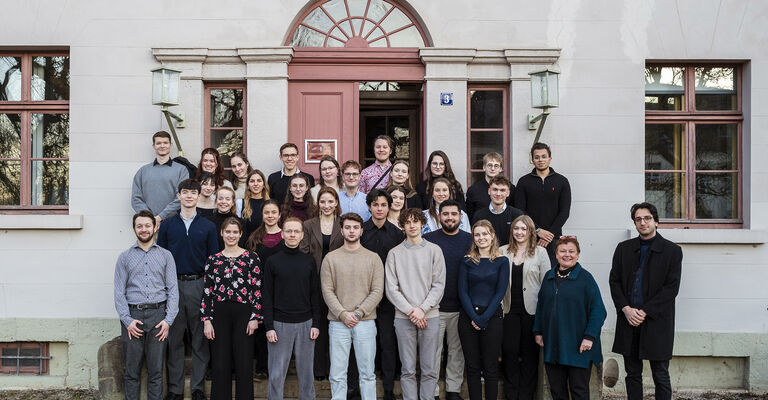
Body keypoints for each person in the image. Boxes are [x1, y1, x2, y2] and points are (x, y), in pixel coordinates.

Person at [609, 202, 683, 400]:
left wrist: (645, 311)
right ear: (635, 223)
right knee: (632, 374)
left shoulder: (672, 251)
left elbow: (671, 288)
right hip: (628, 320)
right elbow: (614, 281)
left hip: (657, 322)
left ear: (656, 221)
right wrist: (626, 309)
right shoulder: (624, 249)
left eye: (647, 218)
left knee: (660, 374)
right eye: (638, 219)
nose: (643, 223)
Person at [157, 179, 219, 400]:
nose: (190, 196)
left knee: (200, 338)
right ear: (179, 195)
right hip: (173, 285)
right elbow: (160, 258)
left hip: (199, 284)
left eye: (194, 192)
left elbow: (214, 260)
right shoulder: (166, 226)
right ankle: (175, 390)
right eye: (186, 192)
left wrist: (209, 289)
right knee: (174, 339)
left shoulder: (208, 226)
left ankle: (197, 388)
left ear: (198, 195)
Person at [114, 210, 179, 400]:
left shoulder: (166, 256)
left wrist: (168, 321)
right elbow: (119, 292)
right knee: (131, 371)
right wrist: (127, 321)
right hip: (133, 317)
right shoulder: (124, 257)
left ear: (155, 227)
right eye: (139, 226)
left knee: (156, 371)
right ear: (134, 229)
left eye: (147, 225)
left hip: (158, 317)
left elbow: (173, 290)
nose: (144, 229)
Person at [321, 212, 385, 400]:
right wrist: (342, 314)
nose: (351, 231)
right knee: (337, 374)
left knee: (367, 373)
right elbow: (327, 290)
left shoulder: (373, 258)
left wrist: (357, 314)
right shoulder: (331, 258)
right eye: (347, 227)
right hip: (338, 323)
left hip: (364, 322)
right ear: (341, 230)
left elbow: (377, 290)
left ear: (361, 231)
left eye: (355, 227)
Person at [534, 237, 606, 400]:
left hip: (578, 346)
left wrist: (589, 337)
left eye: (571, 251)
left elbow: (598, 310)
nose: (567, 255)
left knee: (579, 391)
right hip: (553, 345)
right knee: (557, 391)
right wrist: (538, 331)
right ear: (556, 254)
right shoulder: (549, 277)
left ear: (578, 254)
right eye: (563, 251)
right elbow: (541, 306)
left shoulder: (586, 279)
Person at [385, 208, 446, 400]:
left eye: (416, 221)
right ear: (402, 226)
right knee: (408, 369)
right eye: (408, 222)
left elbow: (438, 284)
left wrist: (422, 310)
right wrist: (412, 311)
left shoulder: (434, 250)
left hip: (431, 316)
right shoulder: (394, 253)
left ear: (422, 224)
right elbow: (391, 288)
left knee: (429, 369)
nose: (412, 225)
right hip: (403, 318)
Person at [201, 217, 262, 400]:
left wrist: (254, 317)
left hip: (244, 312)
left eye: (235, 232)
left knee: (244, 362)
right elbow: (207, 291)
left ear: (241, 234)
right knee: (220, 362)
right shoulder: (213, 260)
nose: (231, 235)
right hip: (219, 313)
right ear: (222, 233)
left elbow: (257, 288)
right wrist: (207, 320)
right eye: (228, 232)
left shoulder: (251, 258)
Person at [262, 217, 322, 400]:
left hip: (306, 323)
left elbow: (314, 294)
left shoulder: (309, 261)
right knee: (277, 373)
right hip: (280, 324)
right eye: (289, 231)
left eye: (296, 231)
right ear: (282, 234)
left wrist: (316, 323)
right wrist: (269, 326)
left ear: (302, 235)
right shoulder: (272, 261)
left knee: (306, 373)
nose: (292, 234)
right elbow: (267, 295)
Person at [424, 199, 473, 400]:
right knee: (433, 353)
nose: (450, 218)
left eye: (454, 214)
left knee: (456, 351)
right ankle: (433, 391)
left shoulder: (470, 240)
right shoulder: (428, 239)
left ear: (460, 217)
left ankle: (453, 390)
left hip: (460, 307)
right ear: (439, 216)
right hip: (434, 307)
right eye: (445, 214)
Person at [499, 215, 550, 400]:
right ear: (512, 231)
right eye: (516, 228)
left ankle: (526, 396)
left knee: (530, 356)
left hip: (532, 312)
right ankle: (511, 395)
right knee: (509, 353)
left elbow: (547, 285)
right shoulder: (501, 251)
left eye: (524, 229)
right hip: (508, 311)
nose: (519, 232)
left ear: (530, 231)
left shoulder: (540, 253)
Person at [457, 220, 509, 400]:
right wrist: (474, 316)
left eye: (485, 234)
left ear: (492, 235)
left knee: (490, 367)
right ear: (473, 237)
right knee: (472, 367)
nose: (481, 238)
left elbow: (500, 291)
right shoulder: (467, 260)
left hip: (492, 317)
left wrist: (484, 317)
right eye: (477, 235)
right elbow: (462, 291)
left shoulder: (502, 261)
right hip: (468, 318)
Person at [361, 189, 404, 400]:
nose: (379, 209)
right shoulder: (361, 232)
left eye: (383, 205)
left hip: (388, 298)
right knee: (364, 343)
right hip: (363, 298)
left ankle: (388, 390)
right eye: (375, 205)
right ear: (369, 206)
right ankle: (359, 387)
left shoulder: (397, 234)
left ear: (389, 207)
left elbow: (399, 269)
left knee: (388, 342)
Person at [300, 187, 344, 380]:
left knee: (336, 325)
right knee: (318, 325)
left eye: (330, 202)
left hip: (339, 281)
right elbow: (304, 250)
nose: (327, 205)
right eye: (323, 202)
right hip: (315, 280)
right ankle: (318, 370)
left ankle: (335, 369)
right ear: (318, 204)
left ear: (336, 203)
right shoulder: (309, 224)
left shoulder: (343, 224)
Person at [514, 142, 571, 265]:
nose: (541, 160)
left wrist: (549, 235)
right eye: (537, 157)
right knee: (529, 274)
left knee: (553, 276)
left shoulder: (562, 181)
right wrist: (538, 230)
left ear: (550, 158)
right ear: (532, 160)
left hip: (554, 239)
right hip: (529, 237)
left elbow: (564, 212)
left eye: (544, 156)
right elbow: (520, 210)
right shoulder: (524, 182)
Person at [245, 199, 284, 378]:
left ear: (279, 215)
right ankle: (262, 368)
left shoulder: (286, 236)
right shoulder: (254, 238)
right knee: (261, 328)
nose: (270, 216)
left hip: (282, 289)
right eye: (266, 213)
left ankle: (279, 368)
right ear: (262, 215)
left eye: (273, 212)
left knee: (280, 327)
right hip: (259, 289)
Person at [131, 130, 190, 227]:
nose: (162, 146)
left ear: (170, 145)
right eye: (158, 143)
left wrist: (160, 217)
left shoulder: (181, 170)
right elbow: (136, 199)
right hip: (149, 226)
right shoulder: (143, 171)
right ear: (153, 146)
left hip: (174, 224)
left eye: (165, 143)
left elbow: (182, 197)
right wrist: (150, 218)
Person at [471, 176, 524, 247]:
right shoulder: (479, 215)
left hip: (510, 255)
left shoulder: (517, 215)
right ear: (489, 191)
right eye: (495, 189)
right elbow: (475, 241)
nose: (498, 194)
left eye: (502, 190)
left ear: (508, 193)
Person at [465, 152, 513, 220]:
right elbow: (469, 217)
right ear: (484, 167)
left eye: (496, 166)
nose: (493, 168)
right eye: (490, 165)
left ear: (501, 169)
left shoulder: (510, 188)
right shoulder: (473, 190)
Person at [236, 169, 270, 238]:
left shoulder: (270, 204)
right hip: (246, 245)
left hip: (266, 245)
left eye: (259, 181)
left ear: (263, 185)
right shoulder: (240, 203)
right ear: (248, 185)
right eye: (252, 181)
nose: (255, 184)